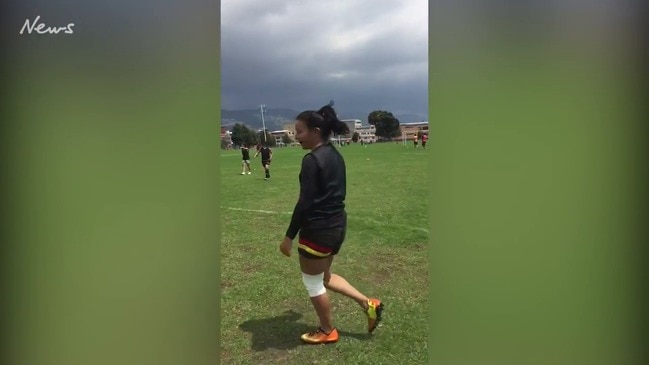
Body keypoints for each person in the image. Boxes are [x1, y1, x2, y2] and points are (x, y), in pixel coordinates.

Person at [279, 100, 384, 345]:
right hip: (337, 227)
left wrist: (288, 237)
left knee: (312, 282)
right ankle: (368, 304)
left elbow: (304, 203)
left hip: (317, 229)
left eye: (300, 131)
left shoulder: (311, 160)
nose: (296, 137)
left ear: (316, 132)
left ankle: (328, 331)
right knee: (325, 275)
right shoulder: (336, 155)